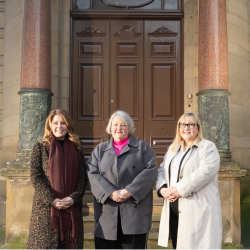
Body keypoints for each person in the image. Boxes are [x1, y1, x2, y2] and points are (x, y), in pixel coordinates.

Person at [87, 110, 158, 249]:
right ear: (110, 128)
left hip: (134, 214)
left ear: (129, 127)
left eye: (123, 125)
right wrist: (110, 193)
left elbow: (151, 171)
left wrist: (129, 191)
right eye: (115, 125)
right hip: (106, 214)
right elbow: (91, 172)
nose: (119, 128)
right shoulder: (100, 150)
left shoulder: (142, 147)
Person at [156, 112, 222, 249]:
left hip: (197, 210)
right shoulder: (173, 149)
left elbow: (204, 173)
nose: (187, 128)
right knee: (178, 244)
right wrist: (163, 189)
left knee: (197, 245)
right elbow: (161, 170)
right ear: (178, 128)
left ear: (198, 128)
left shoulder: (208, 147)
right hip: (174, 208)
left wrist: (178, 190)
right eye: (183, 124)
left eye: (191, 124)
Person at [27, 109, 88, 249]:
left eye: (63, 123)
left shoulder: (76, 147)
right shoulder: (41, 146)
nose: (59, 127)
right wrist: (51, 200)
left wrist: (73, 198)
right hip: (46, 211)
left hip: (71, 208)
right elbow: (35, 176)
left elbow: (82, 177)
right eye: (55, 123)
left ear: (68, 125)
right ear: (49, 125)